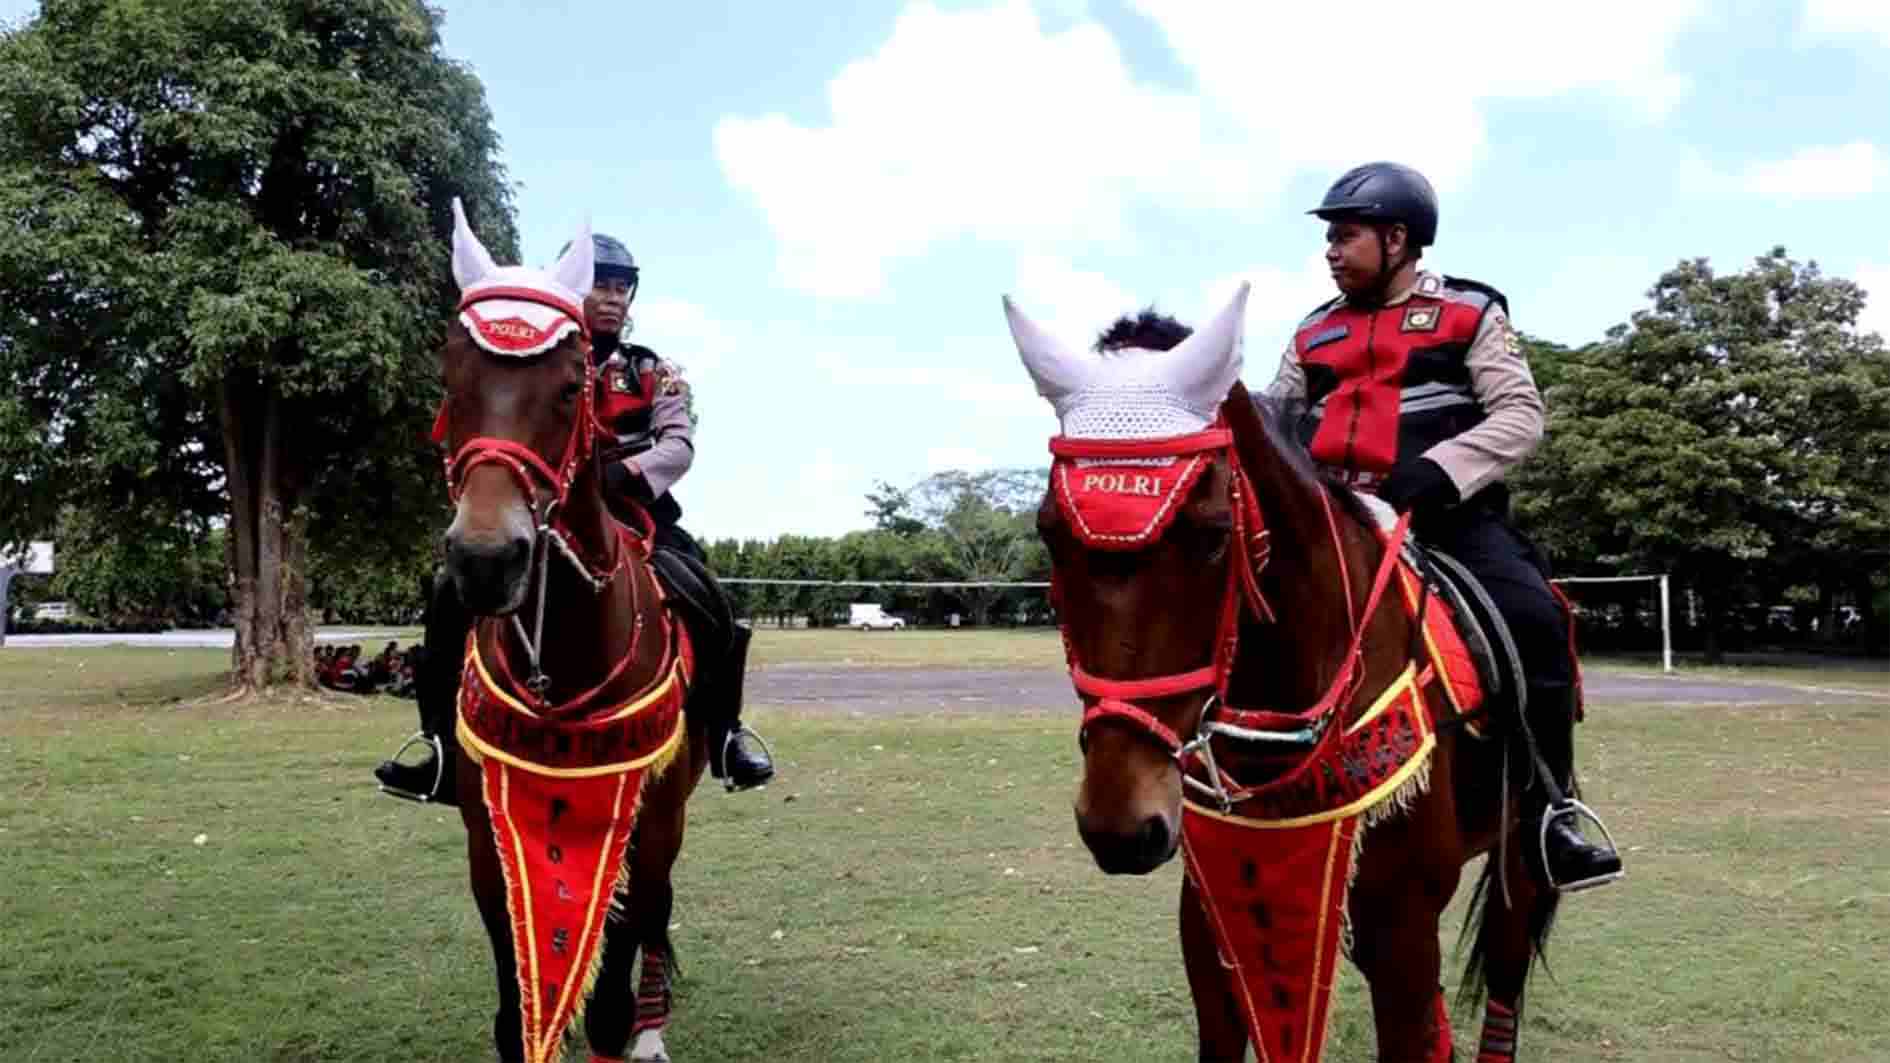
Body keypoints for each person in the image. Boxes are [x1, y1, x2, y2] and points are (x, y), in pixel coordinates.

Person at [1263, 161, 1621, 892]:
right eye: (1328, 236)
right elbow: (1276, 417)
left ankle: (1550, 812)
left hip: (1446, 520)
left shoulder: (1470, 311)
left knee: (1535, 619)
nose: (1331, 249)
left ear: (1399, 239)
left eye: (1346, 234)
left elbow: (1521, 414)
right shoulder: (1311, 331)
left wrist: (1440, 470)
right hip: (1337, 525)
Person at [374, 232, 775, 803]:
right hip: (545, 511)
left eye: (621, 289)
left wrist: (625, 474)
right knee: (446, 597)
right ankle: (437, 746)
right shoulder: (539, 357)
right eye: (600, 287)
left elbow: (679, 445)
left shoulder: (652, 370)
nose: (611, 299)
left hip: (638, 513)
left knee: (706, 593)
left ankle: (727, 734)